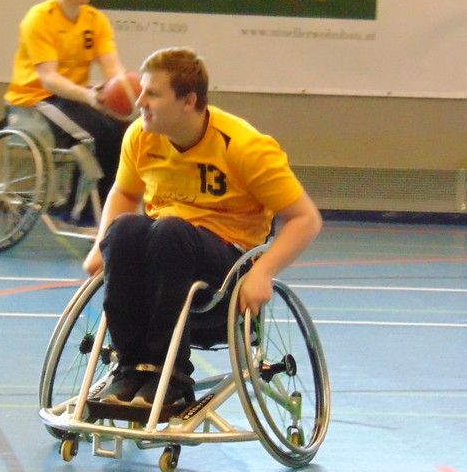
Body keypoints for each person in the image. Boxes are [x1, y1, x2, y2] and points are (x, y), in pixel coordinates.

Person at [83, 47, 322, 407]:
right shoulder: (141, 136)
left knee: (170, 232)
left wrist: (264, 273)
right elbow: (124, 192)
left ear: (188, 101)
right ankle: (131, 366)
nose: (140, 102)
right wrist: (100, 245)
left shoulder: (244, 147)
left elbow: (305, 219)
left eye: (152, 94)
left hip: (227, 261)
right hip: (165, 250)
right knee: (124, 231)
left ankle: (173, 376)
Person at [3, 0, 130, 214]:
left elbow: (113, 69)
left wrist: (126, 93)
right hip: (35, 101)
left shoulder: (96, 21)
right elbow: (49, 79)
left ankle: (105, 210)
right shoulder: (40, 18)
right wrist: (89, 96)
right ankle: (82, 212)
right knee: (96, 135)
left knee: (125, 131)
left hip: (71, 99)